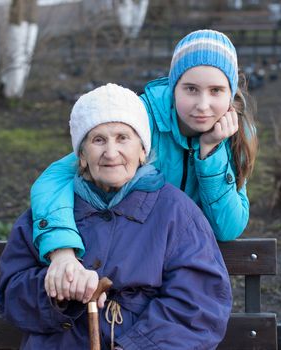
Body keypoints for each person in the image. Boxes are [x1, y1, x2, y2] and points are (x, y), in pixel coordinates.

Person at [0, 83, 232, 350]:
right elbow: (12, 296)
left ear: (142, 151)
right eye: (98, 140)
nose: (111, 153)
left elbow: (198, 306)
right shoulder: (51, 213)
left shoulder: (176, 211)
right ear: (82, 156)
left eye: (123, 138)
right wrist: (58, 290)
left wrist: (134, 347)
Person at [31, 29, 257, 297]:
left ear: (230, 94)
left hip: (186, 263)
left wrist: (211, 152)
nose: (203, 105)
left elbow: (227, 228)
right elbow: (56, 177)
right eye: (191, 89)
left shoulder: (236, 134)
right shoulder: (140, 118)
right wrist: (63, 250)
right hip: (134, 258)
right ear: (174, 86)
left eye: (216, 91)